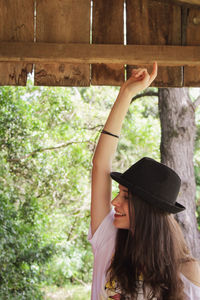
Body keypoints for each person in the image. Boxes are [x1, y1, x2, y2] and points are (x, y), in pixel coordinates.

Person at [88, 62, 200, 300]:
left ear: (148, 209)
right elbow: (100, 166)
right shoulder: (108, 236)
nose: (115, 202)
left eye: (126, 197)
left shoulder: (188, 273)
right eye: (119, 193)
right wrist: (126, 93)